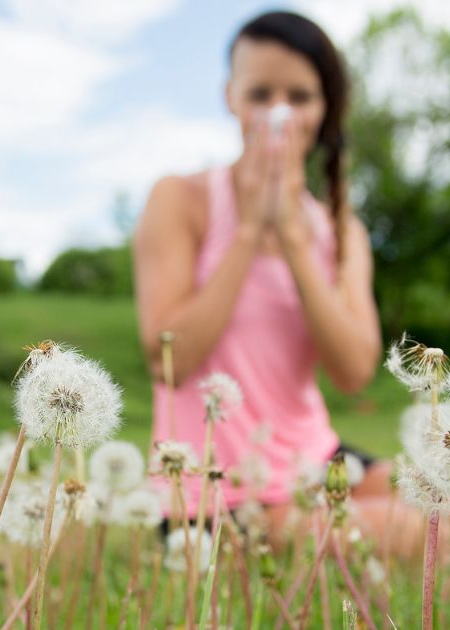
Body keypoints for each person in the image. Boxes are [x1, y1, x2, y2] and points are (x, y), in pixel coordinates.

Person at [133, 10, 408, 548]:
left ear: (324, 108)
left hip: (317, 459)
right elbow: (169, 357)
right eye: (261, 94)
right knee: (425, 536)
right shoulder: (180, 199)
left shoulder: (340, 229)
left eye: (300, 97)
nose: (278, 113)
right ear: (230, 97)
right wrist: (248, 230)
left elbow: (354, 371)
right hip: (218, 492)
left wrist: (296, 242)